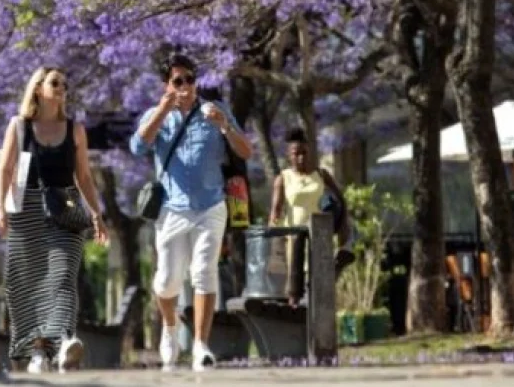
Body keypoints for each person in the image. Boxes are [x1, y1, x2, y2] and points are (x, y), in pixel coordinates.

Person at [130, 54, 253, 372]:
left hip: (211, 206)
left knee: (203, 272)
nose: (185, 86)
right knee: (168, 281)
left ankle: (200, 345)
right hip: (171, 210)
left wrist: (224, 126)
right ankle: (170, 328)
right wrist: (162, 110)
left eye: (190, 79)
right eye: (177, 81)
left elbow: (246, 151)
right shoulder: (157, 116)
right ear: (166, 85)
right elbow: (138, 147)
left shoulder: (215, 111)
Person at [0, 66, 109, 374]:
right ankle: (39, 352)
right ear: (38, 88)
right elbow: (5, 170)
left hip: (66, 208)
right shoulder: (19, 126)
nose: (61, 88)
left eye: (65, 85)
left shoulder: (75, 129)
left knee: (62, 276)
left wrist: (96, 213)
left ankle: (65, 340)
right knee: (28, 285)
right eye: (55, 83)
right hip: (27, 209)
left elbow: (83, 176)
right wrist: (0, 209)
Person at [269, 127, 356, 304]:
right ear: (289, 155)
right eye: (296, 154)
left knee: (318, 283)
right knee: (294, 287)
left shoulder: (321, 174)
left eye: (304, 153)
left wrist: (343, 223)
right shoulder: (283, 178)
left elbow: (341, 199)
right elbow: (275, 212)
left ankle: (318, 322)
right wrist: (274, 242)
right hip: (294, 238)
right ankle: (295, 318)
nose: (301, 158)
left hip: (318, 234)